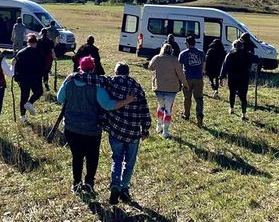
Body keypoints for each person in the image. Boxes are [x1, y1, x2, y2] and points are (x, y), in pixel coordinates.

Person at [72, 62, 151, 205]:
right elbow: (144, 109)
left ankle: (115, 184)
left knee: (117, 158)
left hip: (116, 130)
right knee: (130, 162)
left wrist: (76, 75)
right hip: (133, 132)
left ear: (116, 72)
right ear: (128, 72)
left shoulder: (111, 82)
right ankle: (124, 188)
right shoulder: (137, 87)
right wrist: (145, 129)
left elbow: (93, 79)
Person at [57, 57, 133, 197]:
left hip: (71, 128)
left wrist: (65, 81)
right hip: (92, 129)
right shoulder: (97, 87)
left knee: (77, 156)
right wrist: (126, 101)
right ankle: (89, 183)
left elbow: (59, 98)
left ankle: (76, 183)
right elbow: (108, 105)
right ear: (93, 69)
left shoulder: (69, 83)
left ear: (80, 68)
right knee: (92, 157)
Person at [148, 44, 188, 138]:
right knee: (168, 109)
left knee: (160, 106)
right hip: (171, 88)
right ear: (171, 51)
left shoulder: (157, 58)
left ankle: (159, 125)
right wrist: (185, 84)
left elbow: (150, 67)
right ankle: (165, 131)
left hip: (159, 87)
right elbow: (180, 74)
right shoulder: (174, 60)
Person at [13, 33, 45, 123]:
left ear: (28, 42)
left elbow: (16, 66)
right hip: (35, 78)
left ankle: (22, 117)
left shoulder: (21, 53)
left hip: (23, 78)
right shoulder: (39, 53)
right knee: (39, 92)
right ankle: (30, 103)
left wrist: (17, 78)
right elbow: (43, 66)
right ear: (36, 42)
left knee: (24, 96)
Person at [219, 39, 253, 120]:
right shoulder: (247, 54)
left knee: (232, 93)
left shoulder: (230, 55)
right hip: (244, 77)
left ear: (234, 46)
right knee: (243, 96)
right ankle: (244, 114)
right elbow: (256, 60)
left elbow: (224, 66)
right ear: (242, 46)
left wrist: (221, 77)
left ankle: (231, 108)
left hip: (232, 77)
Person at [178, 36, 206, 128]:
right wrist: (201, 73)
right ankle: (199, 114)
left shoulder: (183, 53)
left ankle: (186, 114)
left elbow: (179, 68)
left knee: (187, 97)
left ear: (187, 43)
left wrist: (180, 79)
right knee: (199, 98)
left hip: (187, 78)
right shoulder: (201, 53)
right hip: (198, 78)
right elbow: (204, 66)